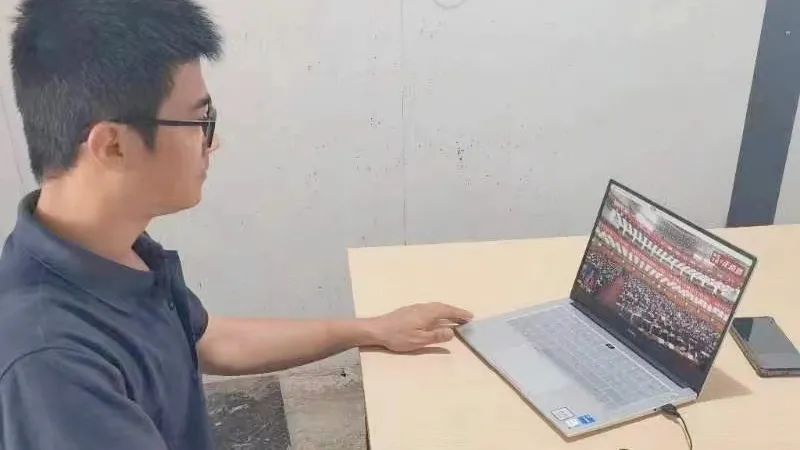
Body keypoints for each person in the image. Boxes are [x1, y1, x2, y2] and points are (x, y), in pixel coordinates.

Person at [0, 1, 473, 449]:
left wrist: (372, 329)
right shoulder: (53, 366)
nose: (214, 142)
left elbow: (211, 340)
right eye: (199, 121)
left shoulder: (108, 248)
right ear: (113, 146)